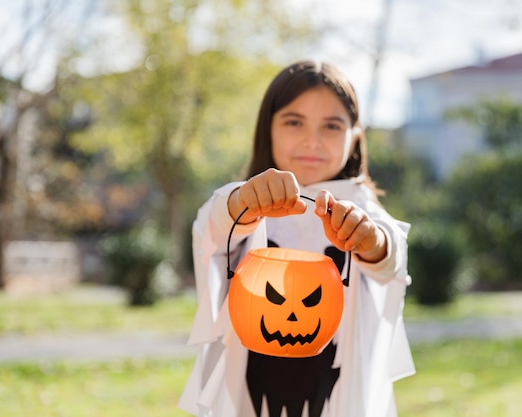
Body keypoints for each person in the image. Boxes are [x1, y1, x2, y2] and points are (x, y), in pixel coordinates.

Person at [178, 60, 415, 417]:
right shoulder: (245, 205)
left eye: (332, 126)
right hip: (250, 386)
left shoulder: (362, 210)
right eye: (294, 121)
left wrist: (370, 241)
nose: (312, 140)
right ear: (266, 130)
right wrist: (242, 201)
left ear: (355, 139)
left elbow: (390, 257)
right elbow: (211, 231)